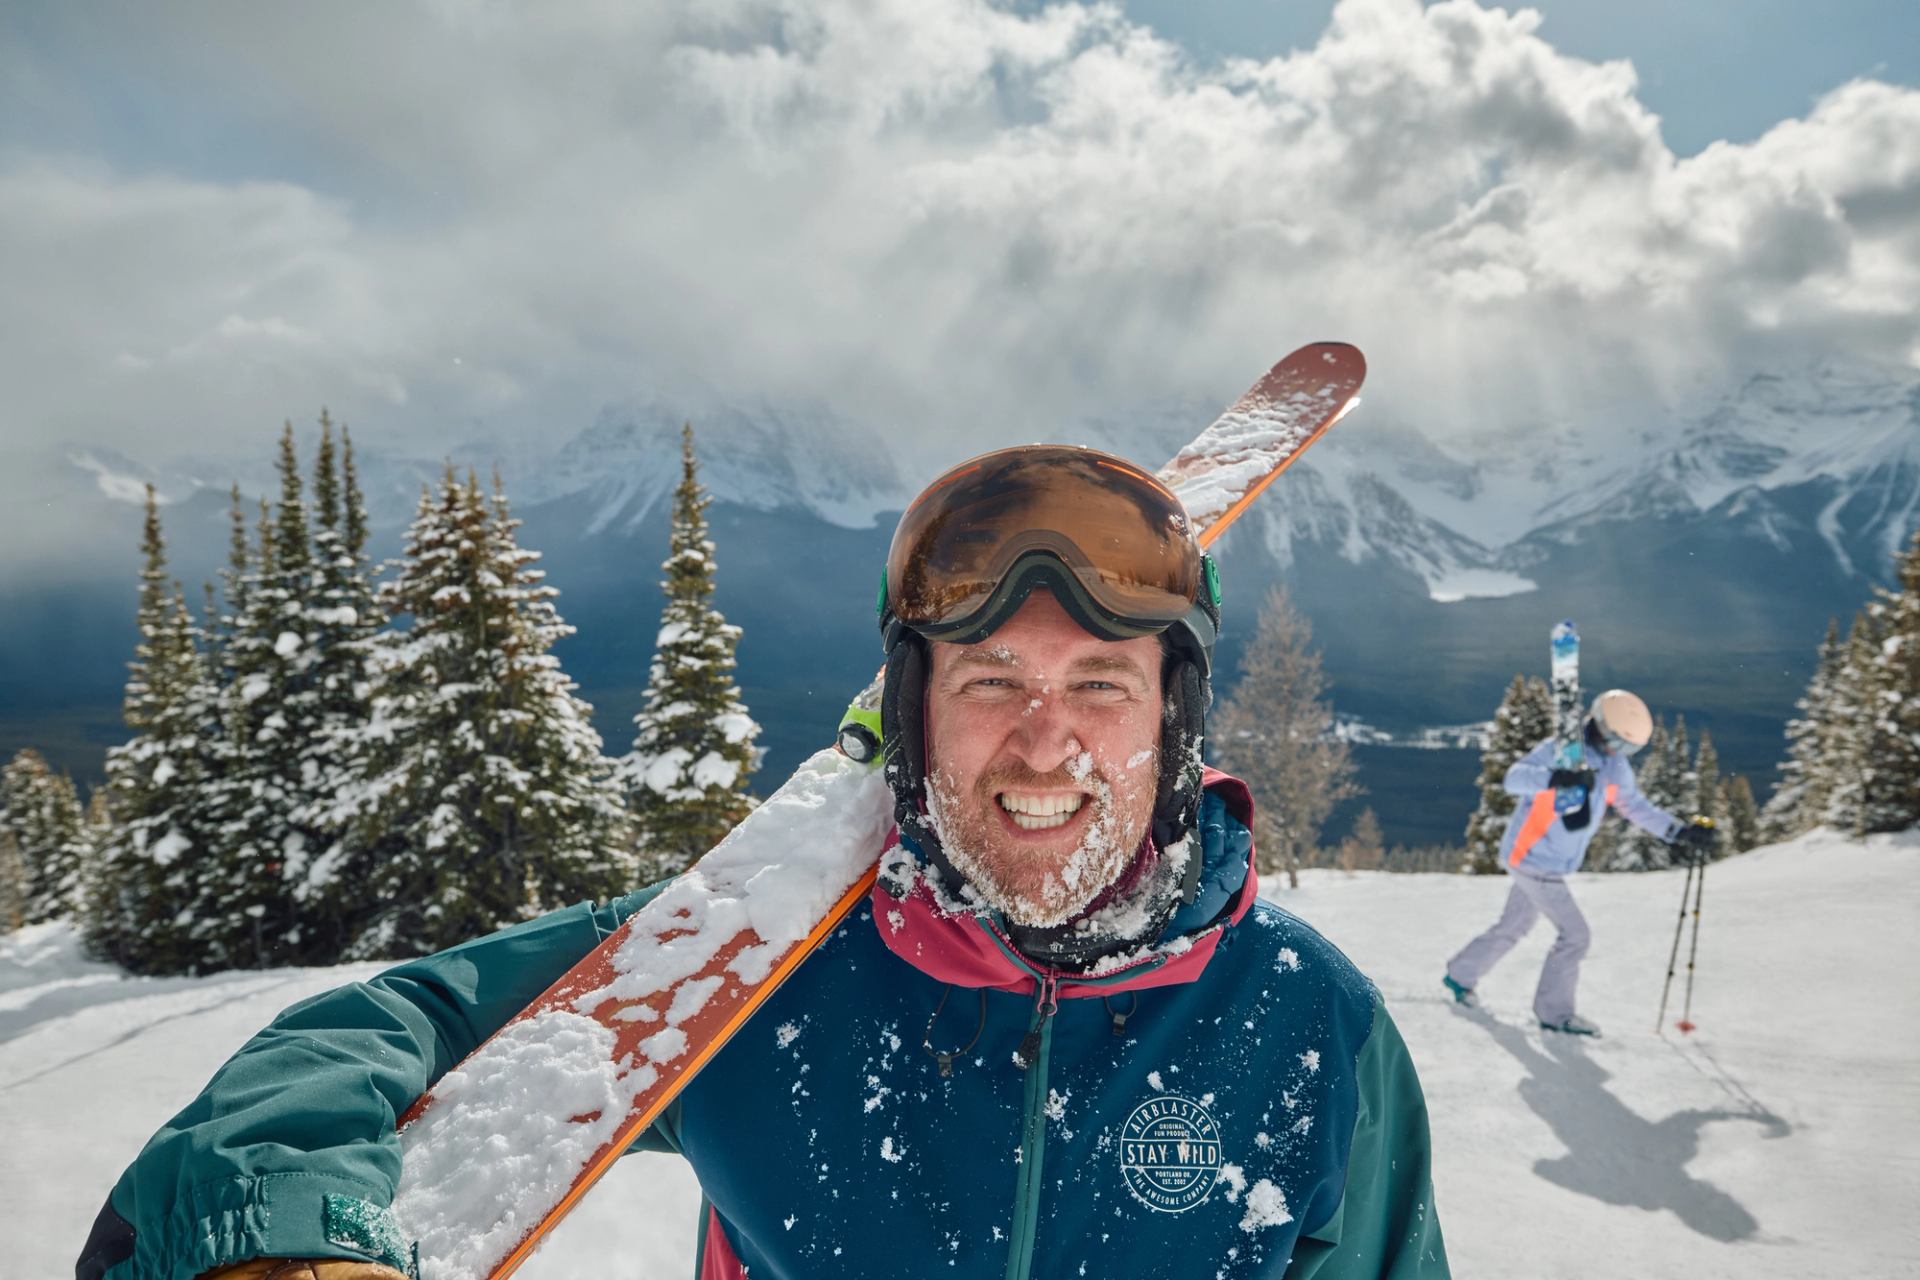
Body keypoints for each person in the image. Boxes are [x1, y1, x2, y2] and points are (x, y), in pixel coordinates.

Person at [79, 445, 1448, 1280]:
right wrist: (272, 1230)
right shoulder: (764, 960)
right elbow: (386, 1027)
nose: (1045, 746)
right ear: (912, 717)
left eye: (1101, 683)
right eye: (987, 682)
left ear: (1173, 718)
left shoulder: (1304, 1023)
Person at [1441, 689, 1717, 1036]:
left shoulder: (1615, 766)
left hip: (1546, 861)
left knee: (1514, 925)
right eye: (1617, 742)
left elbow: (1634, 805)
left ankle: (1460, 975)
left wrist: (1678, 832)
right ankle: (1554, 1014)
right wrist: (1554, 778)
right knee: (1575, 936)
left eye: (1628, 748)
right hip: (1533, 858)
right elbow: (1514, 778)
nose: (1620, 752)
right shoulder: (1561, 750)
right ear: (1602, 727)